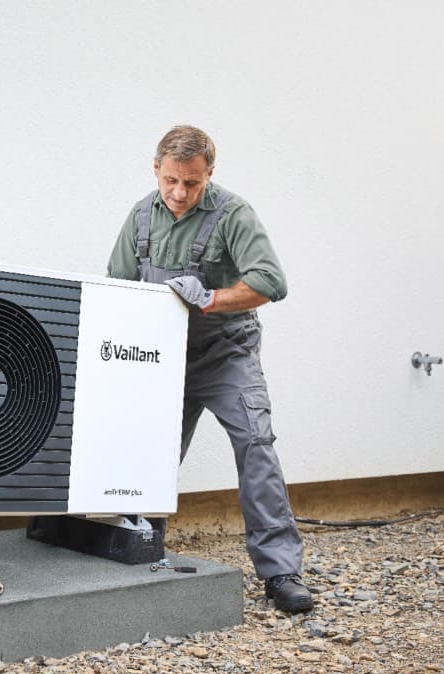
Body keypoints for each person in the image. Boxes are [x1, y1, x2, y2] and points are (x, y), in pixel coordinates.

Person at [106, 125, 313, 614]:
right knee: (147, 454)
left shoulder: (233, 214)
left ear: (209, 175)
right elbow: (115, 285)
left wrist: (213, 298)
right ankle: (138, 547)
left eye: (192, 183)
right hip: (163, 358)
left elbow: (270, 281)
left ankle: (281, 571)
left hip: (226, 354)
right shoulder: (139, 217)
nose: (180, 193)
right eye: (171, 180)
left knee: (255, 446)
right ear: (155, 168)